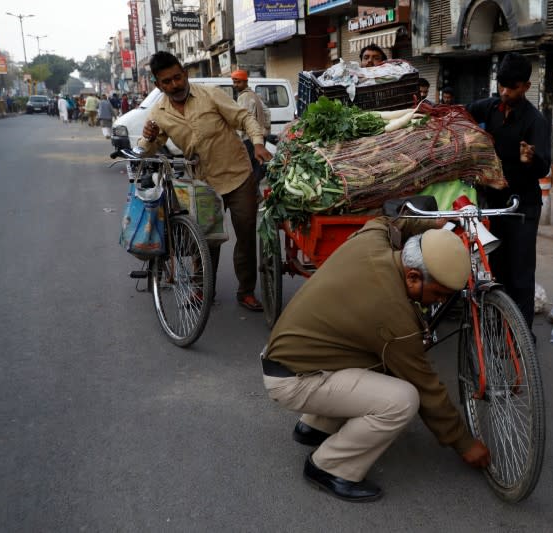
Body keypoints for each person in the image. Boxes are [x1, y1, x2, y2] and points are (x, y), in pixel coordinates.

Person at [262, 217, 491, 502]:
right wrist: (464, 443)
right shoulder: (394, 314)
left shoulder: (372, 241)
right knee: (403, 399)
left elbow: (386, 222)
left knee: (377, 356)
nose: (439, 302)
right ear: (413, 277)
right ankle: (329, 466)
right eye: (438, 294)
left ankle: (315, 426)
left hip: (293, 355)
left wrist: (431, 228)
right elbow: (426, 387)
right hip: (292, 380)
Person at [138, 51, 271, 311]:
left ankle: (245, 291)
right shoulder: (159, 112)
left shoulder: (210, 95)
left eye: (177, 77)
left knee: (245, 237)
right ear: (158, 85)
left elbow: (243, 118)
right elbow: (148, 150)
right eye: (166, 82)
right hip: (202, 183)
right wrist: (148, 138)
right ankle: (202, 290)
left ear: (185, 74)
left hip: (238, 175)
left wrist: (257, 143)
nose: (174, 85)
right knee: (206, 240)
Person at [466, 52, 551, 332]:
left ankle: (522, 336)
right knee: (498, 269)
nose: (504, 92)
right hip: (494, 204)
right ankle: (499, 328)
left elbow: (543, 168)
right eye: (501, 85)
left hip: (523, 207)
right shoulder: (490, 108)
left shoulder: (534, 120)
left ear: (526, 86)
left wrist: (532, 160)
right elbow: (462, 112)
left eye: (511, 88)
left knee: (521, 275)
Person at [231, 69, 271, 183]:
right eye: (234, 82)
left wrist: (238, 137)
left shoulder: (244, 97)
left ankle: (254, 192)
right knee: (257, 165)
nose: (235, 85)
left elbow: (243, 119)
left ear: (245, 82)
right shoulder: (253, 94)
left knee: (250, 169)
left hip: (250, 138)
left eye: (238, 82)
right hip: (259, 137)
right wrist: (265, 129)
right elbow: (267, 112)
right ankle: (256, 191)